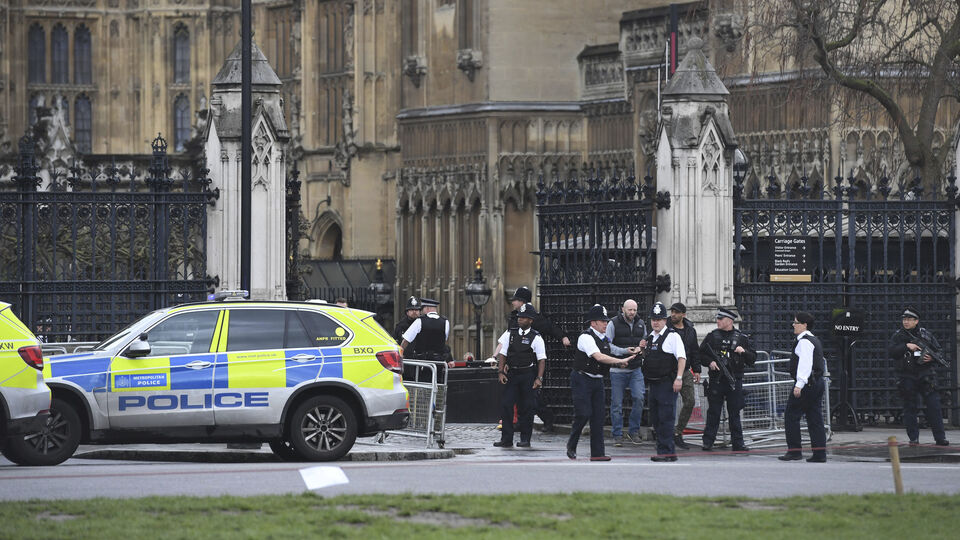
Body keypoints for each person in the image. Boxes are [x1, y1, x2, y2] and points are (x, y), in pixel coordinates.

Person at [567, 304, 634, 461]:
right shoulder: (586, 337)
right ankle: (572, 443)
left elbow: (607, 356)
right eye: (602, 321)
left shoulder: (604, 339)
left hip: (597, 381)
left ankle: (597, 453)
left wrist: (620, 361)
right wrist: (619, 361)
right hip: (582, 378)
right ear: (593, 323)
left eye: (606, 320)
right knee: (583, 414)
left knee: (598, 417)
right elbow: (598, 357)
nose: (605, 323)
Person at [888, 307, 949, 446]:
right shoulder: (898, 336)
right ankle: (913, 438)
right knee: (910, 407)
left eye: (909, 319)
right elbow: (892, 352)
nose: (906, 322)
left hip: (925, 375)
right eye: (904, 319)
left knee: (934, 407)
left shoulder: (925, 335)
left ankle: (940, 438)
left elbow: (938, 351)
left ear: (916, 321)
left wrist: (931, 359)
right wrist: (906, 346)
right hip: (907, 376)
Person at [699, 307, 756, 453]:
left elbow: (752, 359)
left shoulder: (741, 338)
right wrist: (710, 362)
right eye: (717, 318)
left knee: (734, 413)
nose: (717, 321)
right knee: (713, 413)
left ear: (729, 321)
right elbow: (701, 354)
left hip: (734, 381)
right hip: (717, 381)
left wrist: (743, 352)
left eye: (720, 319)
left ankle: (738, 444)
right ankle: (708, 442)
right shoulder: (712, 336)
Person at [493, 303, 547, 448]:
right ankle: (506, 439)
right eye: (519, 317)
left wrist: (539, 378)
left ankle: (525, 438)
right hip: (512, 374)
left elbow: (541, 359)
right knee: (506, 405)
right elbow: (503, 354)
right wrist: (501, 372)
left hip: (527, 374)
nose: (520, 320)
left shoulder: (536, 337)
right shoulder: (510, 333)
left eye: (523, 318)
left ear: (530, 320)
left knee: (526, 408)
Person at [639, 302, 687, 462]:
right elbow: (648, 358)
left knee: (666, 418)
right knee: (657, 418)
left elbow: (681, 358)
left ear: (665, 320)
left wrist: (679, 378)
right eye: (653, 319)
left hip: (667, 383)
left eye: (659, 319)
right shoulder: (651, 337)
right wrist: (642, 349)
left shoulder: (673, 336)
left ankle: (666, 451)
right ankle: (665, 451)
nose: (656, 322)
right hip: (653, 383)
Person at [779, 311, 828, 463]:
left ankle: (794, 451)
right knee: (815, 418)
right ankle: (820, 454)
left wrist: (799, 384)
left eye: (796, 322)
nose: (793, 325)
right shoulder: (813, 339)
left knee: (791, 416)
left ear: (804, 325)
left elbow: (805, 365)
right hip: (816, 382)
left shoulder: (805, 341)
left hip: (807, 383)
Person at [605, 299, 646, 447]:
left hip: (635, 369)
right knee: (616, 403)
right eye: (630, 310)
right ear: (623, 309)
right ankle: (617, 434)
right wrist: (624, 351)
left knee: (639, 398)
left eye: (634, 310)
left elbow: (645, 342)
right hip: (617, 369)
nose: (632, 313)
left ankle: (633, 431)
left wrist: (641, 348)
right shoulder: (613, 323)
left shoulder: (641, 324)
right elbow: (607, 345)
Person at [668, 303, 701, 450]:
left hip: (686, 370)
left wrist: (698, 370)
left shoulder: (690, 331)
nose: (673, 314)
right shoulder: (666, 329)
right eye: (672, 311)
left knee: (690, 401)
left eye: (677, 312)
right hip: (668, 370)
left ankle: (678, 432)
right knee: (667, 403)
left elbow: (694, 350)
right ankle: (665, 433)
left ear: (683, 315)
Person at [401, 298, 454, 367]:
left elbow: (406, 340)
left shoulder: (420, 321)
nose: (422, 311)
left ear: (427, 308)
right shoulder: (445, 322)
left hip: (423, 362)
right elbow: (443, 341)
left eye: (422, 309)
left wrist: (400, 354)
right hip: (439, 362)